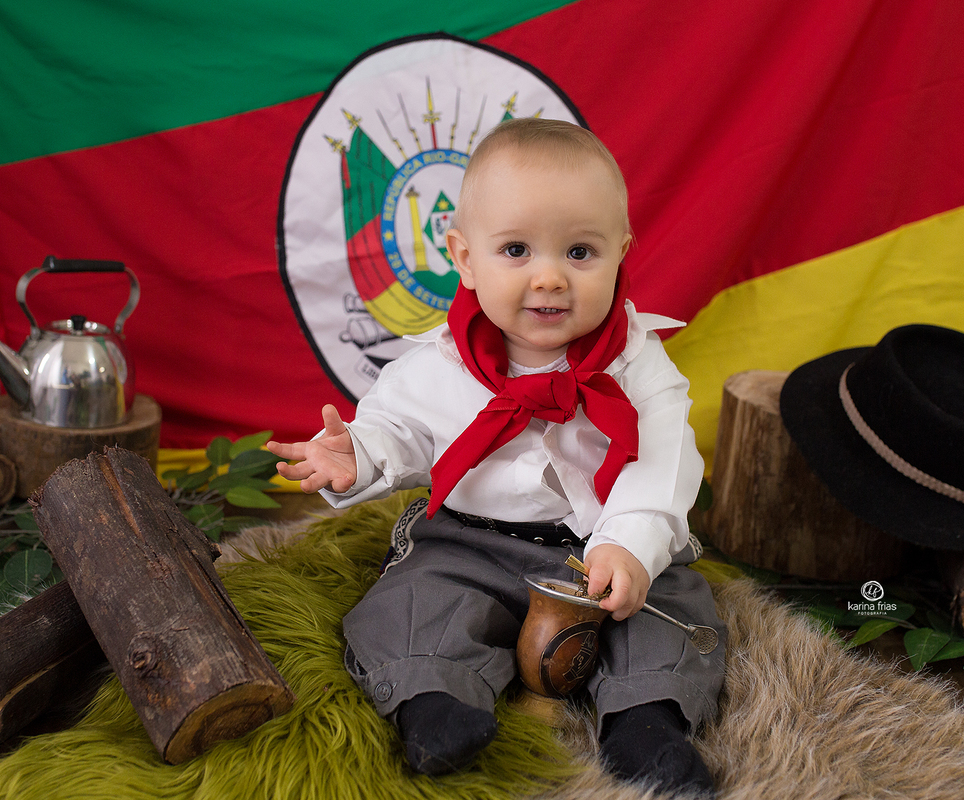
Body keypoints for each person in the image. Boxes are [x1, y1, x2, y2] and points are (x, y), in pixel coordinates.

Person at [268, 117, 725, 794]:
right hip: (470, 543)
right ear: (463, 256)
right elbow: (401, 428)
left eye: (580, 252)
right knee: (414, 602)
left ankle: (646, 722)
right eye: (515, 250)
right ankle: (435, 705)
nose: (549, 278)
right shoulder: (438, 362)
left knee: (673, 609)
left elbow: (662, 464)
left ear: (622, 252)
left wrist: (631, 546)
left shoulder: (637, 364)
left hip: (597, 548)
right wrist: (357, 455)